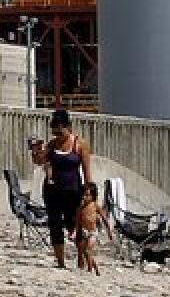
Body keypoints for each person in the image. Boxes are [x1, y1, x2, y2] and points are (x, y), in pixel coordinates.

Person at [30, 108, 93, 268]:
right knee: (55, 225)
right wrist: (35, 152)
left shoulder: (80, 145)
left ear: (68, 127)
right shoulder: (52, 145)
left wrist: (88, 192)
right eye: (55, 132)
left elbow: (87, 172)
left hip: (73, 191)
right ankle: (61, 262)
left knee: (75, 225)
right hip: (52, 191)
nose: (58, 135)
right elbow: (39, 162)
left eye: (60, 132)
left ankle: (81, 258)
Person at [75, 181, 111, 275]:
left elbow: (104, 218)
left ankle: (90, 270)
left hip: (92, 232)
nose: (84, 197)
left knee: (88, 250)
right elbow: (78, 222)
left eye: (87, 195)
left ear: (93, 196)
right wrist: (75, 232)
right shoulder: (80, 208)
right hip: (83, 232)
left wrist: (109, 231)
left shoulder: (95, 206)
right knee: (84, 252)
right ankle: (96, 269)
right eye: (83, 195)